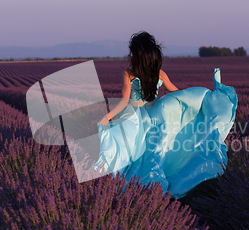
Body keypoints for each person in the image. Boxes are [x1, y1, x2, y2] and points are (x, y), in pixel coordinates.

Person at [94, 31, 238, 198]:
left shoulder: (129, 74)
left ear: (136, 53)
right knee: (155, 153)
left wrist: (107, 117)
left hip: (135, 118)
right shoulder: (159, 73)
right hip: (156, 115)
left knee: (127, 153)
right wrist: (197, 101)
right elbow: (177, 93)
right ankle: (155, 188)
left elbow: (124, 102)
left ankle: (133, 189)